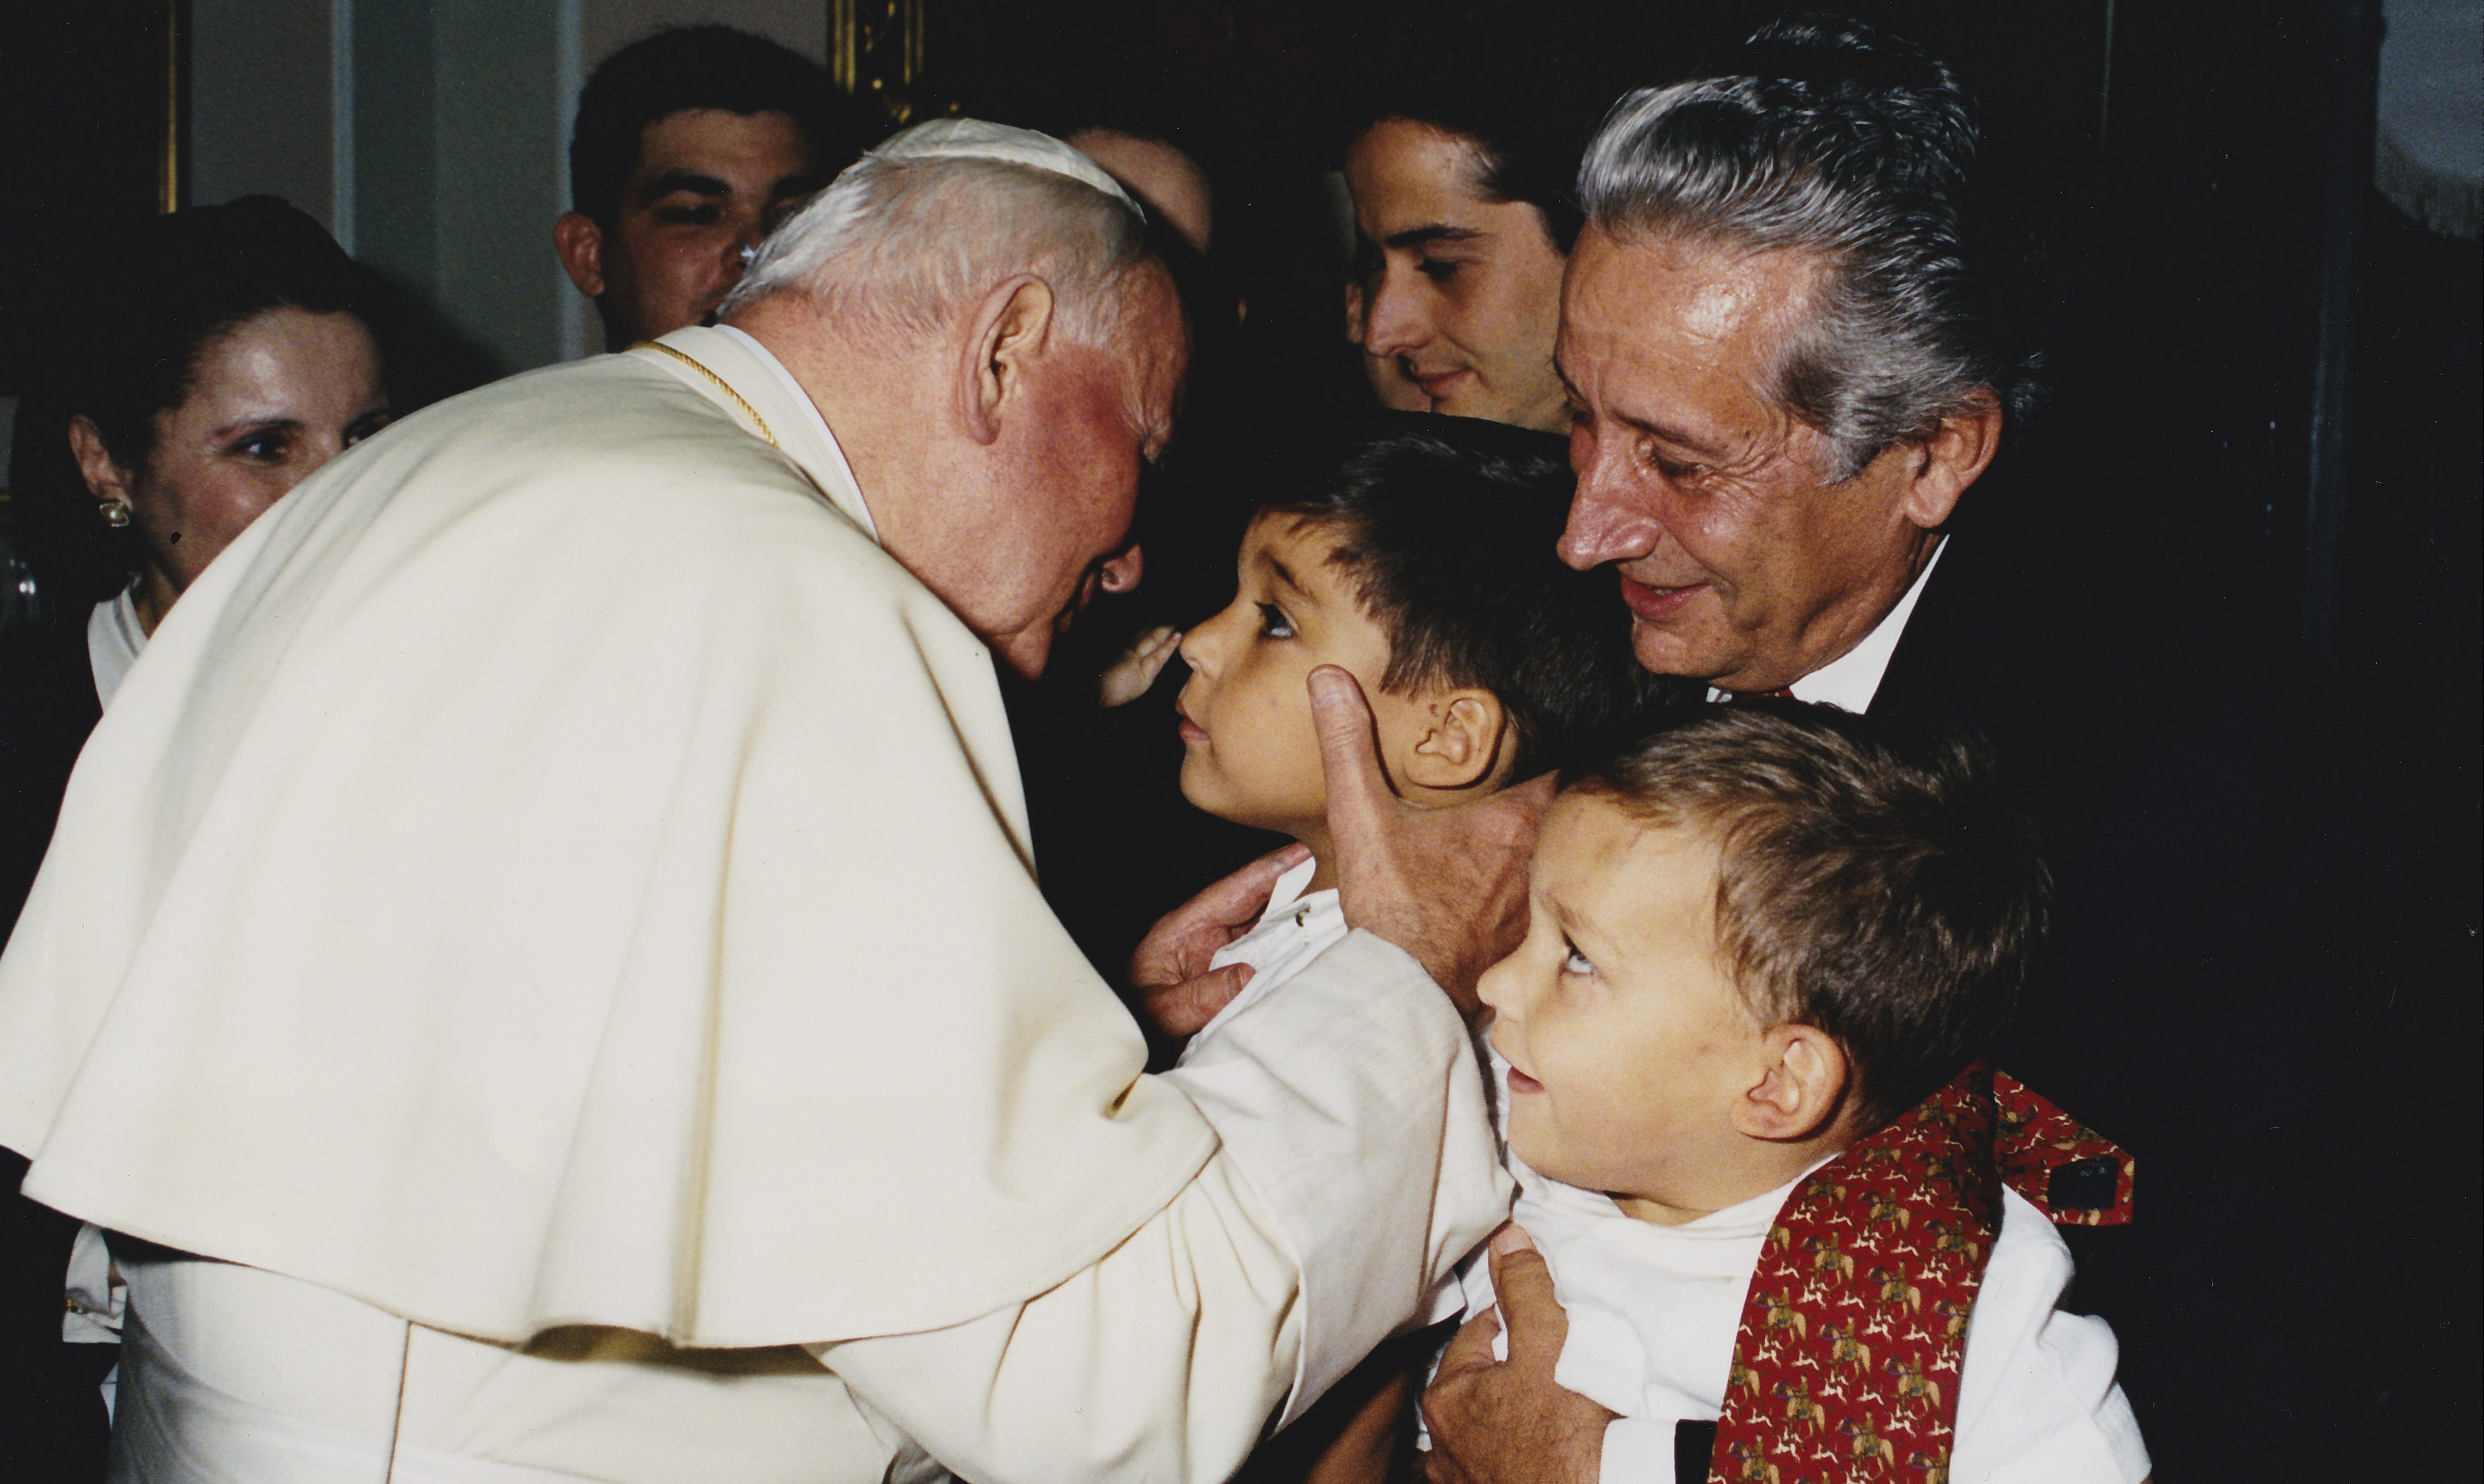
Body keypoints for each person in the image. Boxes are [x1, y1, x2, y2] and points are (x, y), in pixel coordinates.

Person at [0, 121, 1510, 1482]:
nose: (1129, 557)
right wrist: (1391, 976)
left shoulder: (476, 455)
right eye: (1142, 441)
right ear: (1005, 350)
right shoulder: (788, 587)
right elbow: (1099, 1382)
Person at [1379, 15, 2424, 1478]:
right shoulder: (1562, 622)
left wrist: (1613, 1466)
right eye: (1577, 425)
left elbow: (2251, 1374)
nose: (1584, 526)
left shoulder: (2200, 804)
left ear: (1931, 452)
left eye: (1676, 463)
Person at [1432, 705, 2147, 1484]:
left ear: (1775, 1084)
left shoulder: (1951, 1313)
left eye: (1575, 958)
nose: (1495, 982)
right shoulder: (1502, 1095)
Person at [1161, 414, 1675, 1480]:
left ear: (1449, 739)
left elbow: (1336, 1352)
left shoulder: (1481, 1026)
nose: (1200, 641)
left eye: (1276, 622)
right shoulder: (1288, 908)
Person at [0, 194, 391, 1484]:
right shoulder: (28, 739)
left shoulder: (436, 722)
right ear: (109, 465)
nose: (338, 495)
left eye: (366, 437)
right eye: (265, 446)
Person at [553, 25, 878, 350]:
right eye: (696, 215)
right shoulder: (526, 402)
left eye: (791, 217)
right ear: (587, 255)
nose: (756, 251)